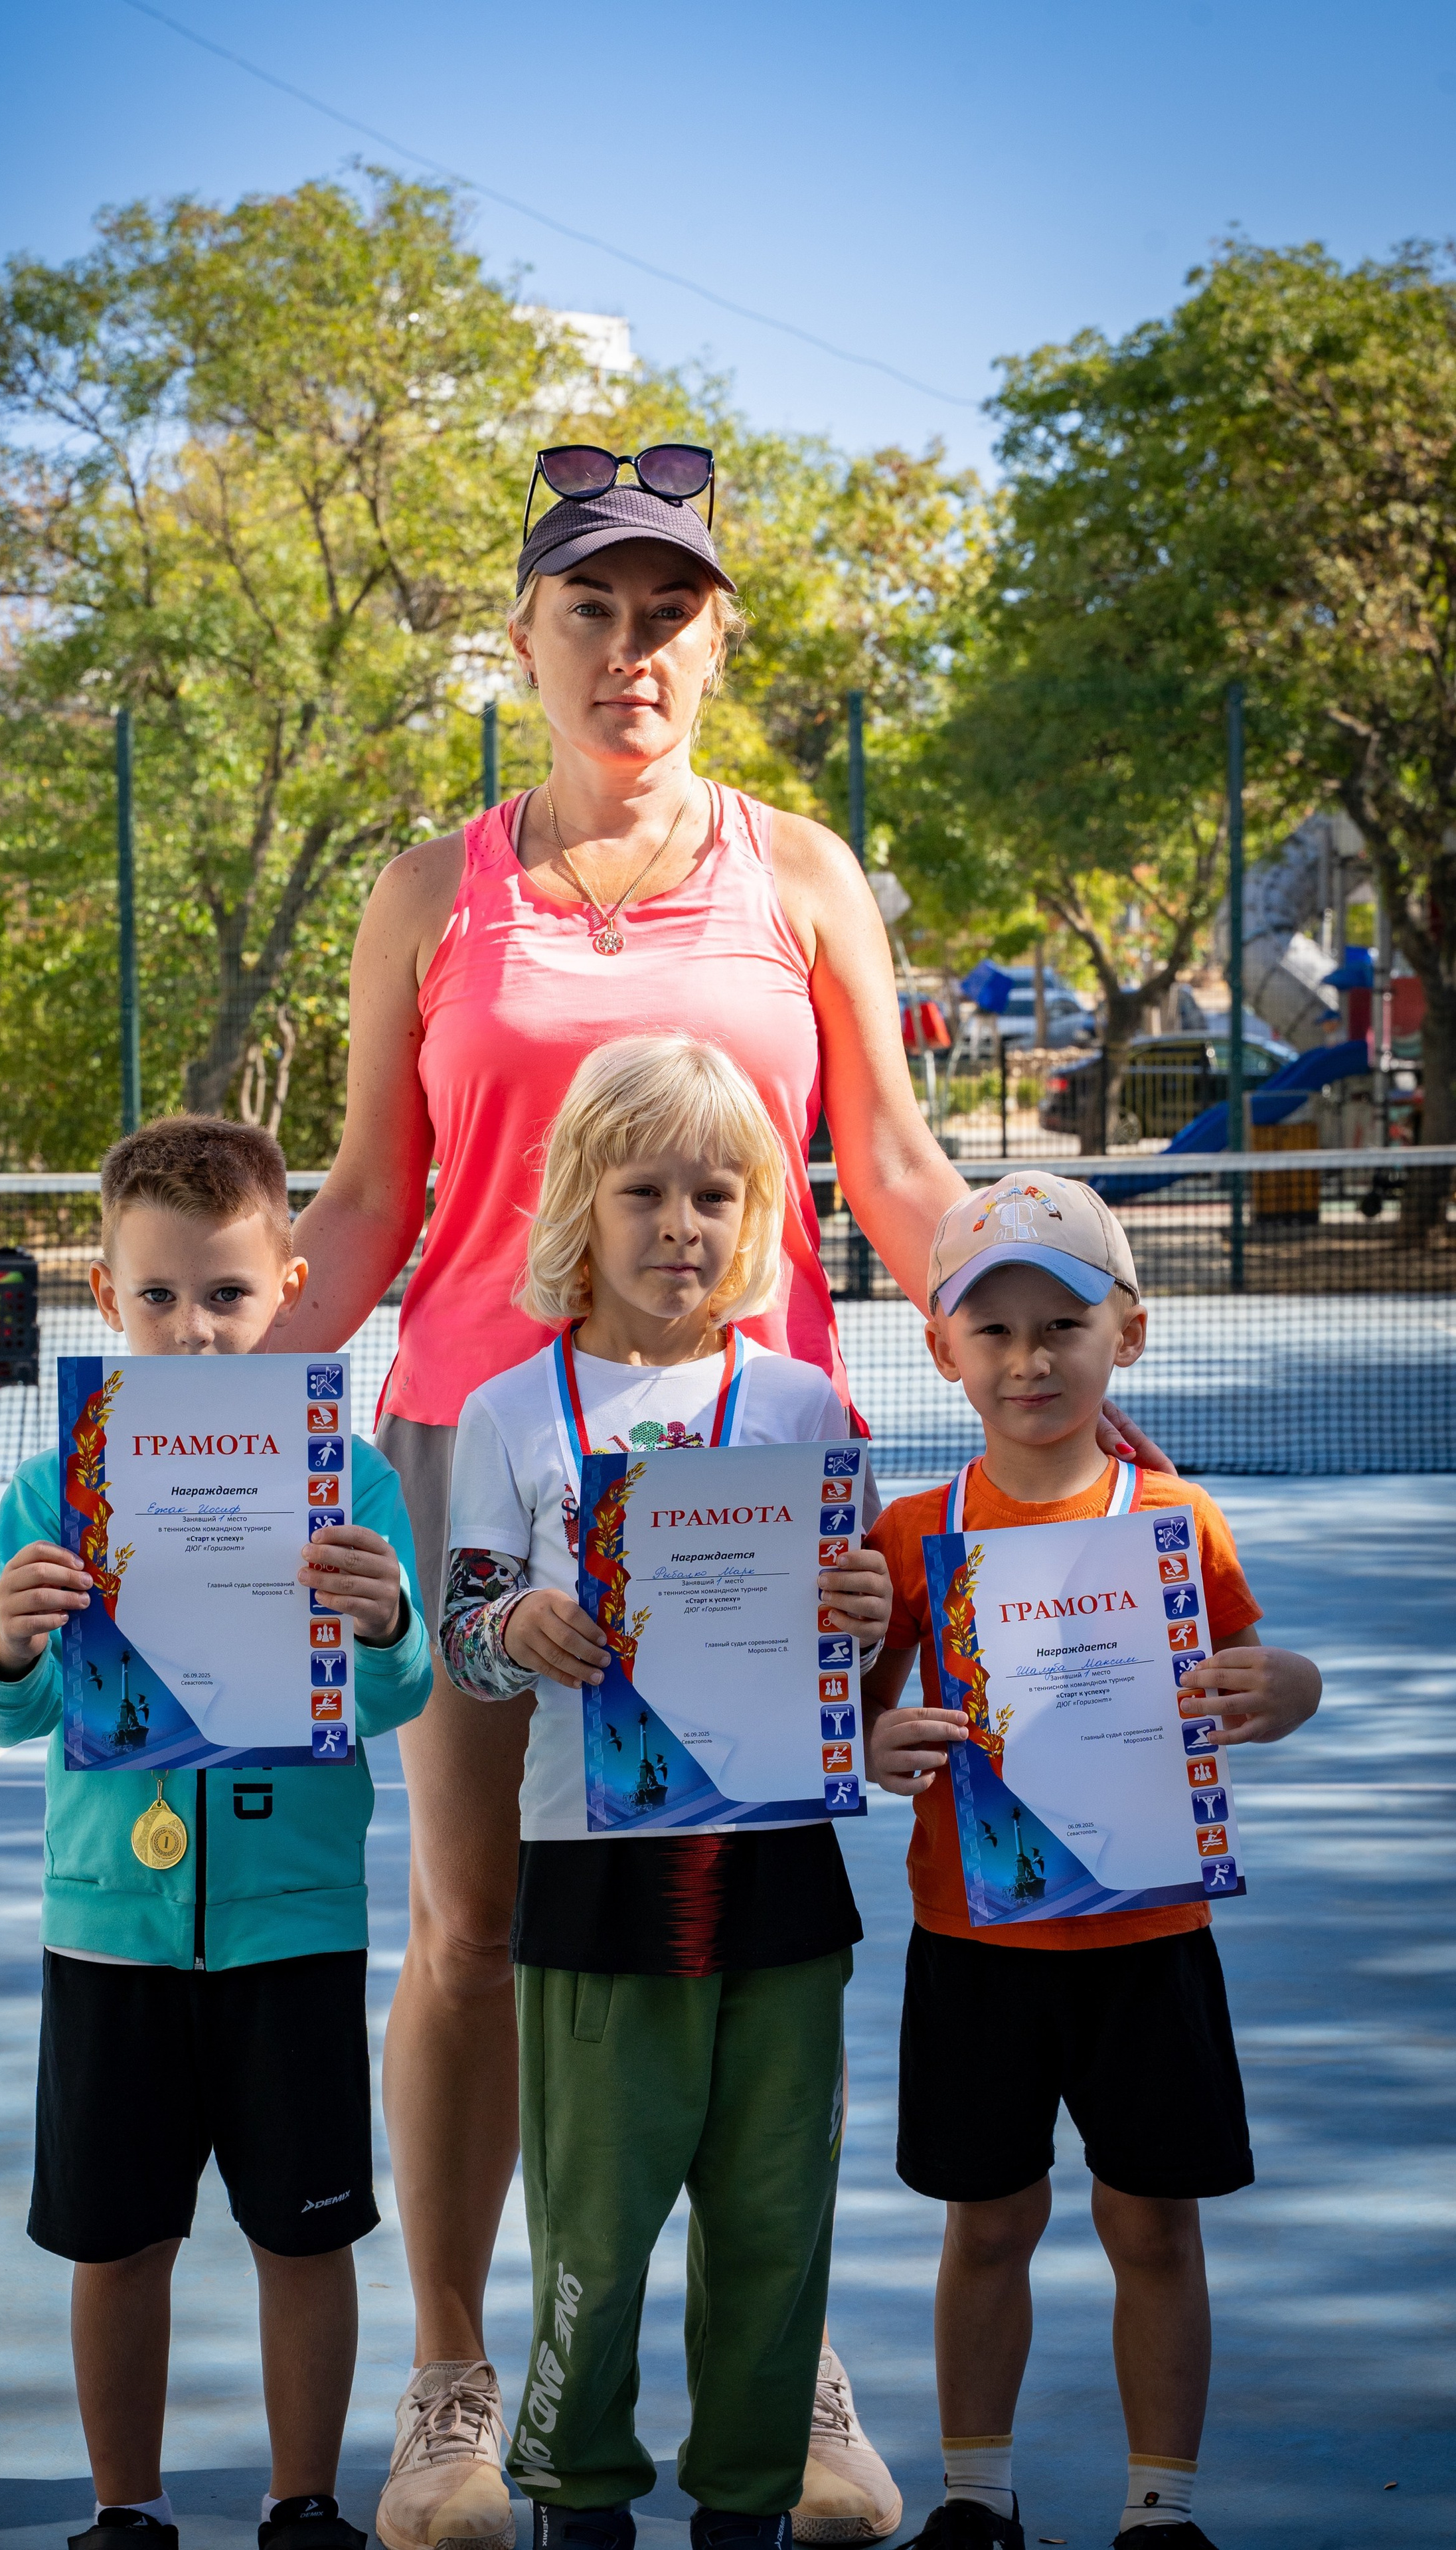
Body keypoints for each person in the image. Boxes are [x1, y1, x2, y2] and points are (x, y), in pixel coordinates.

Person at [287, 454, 1167, 2550]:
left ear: (718, 640)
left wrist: (1055, 1330)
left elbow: (894, 1165)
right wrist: (186, 1405)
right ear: (525, 643)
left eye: (668, 610)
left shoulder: (801, 874)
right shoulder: (433, 889)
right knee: (479, 1932)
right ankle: (451, 2383)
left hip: (751, 1485)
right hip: (473, 1447)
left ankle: (795, 2369)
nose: (631, 649)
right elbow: (368, 1203)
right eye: (589, 611)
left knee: (759, 1918)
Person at [0, 1119, 434, 2550]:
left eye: (224, 1294)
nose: (196, 1327)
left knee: (306, 2233)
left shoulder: (353, 1482)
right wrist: (21, 1647)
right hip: (110, 1930)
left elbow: (396, 1691)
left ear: (288, 1286)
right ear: (107, 1300)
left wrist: (388, 1615)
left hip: (292, 1923)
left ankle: (303, 2505)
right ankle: (127, 2509)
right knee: (119, 2240)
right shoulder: (52, 1492)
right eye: (158, 1296)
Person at [439, 1035, 896, 2550]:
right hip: (594, 1880)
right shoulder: (510, 1412)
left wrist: (861, 1606)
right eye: (642, 1189)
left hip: (777, 1876)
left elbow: (869, 1623)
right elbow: (462, 1632)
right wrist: (512, 1630)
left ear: (757, 1209)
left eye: (713, 1191)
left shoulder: (804, 1407)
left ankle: (749, 2499)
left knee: (773, 2225)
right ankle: (575, 2492)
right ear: (579, 1196)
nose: (678, 1225)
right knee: (597, 2229)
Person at [861, 1173, 1322, 2550]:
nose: (1025, 1360)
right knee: (985, 2225)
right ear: (943, 1350)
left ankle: (1156, 2511)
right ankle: (971, 2499)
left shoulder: (1173, 1521)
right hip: (974, 1949)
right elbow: (861, 1716)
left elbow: (1249, 1667)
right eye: (989, 1331)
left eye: (1057, 1326)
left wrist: (1283, 1685)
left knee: (1152, 2225)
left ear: (1126, 1332)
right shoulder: (906, 1539)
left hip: (1148, 1948)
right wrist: (880, 1740)